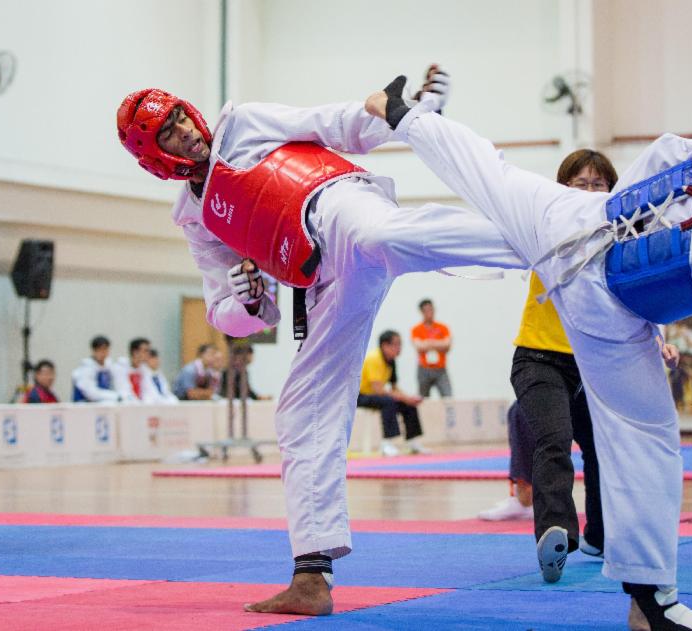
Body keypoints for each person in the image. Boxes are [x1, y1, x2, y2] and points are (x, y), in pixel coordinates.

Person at [366, 79, 692, 631]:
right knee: (647, 437)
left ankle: (398, 122)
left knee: (492, 175)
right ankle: (651, 602)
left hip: (576, 218)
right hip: (605, 305)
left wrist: (611, 213)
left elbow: (664, 150)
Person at [116, 67, 523, 616]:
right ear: (154, 156)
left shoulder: (243, 124)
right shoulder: (195, 219)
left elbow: (331, 123)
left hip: (338, 205)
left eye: (181, 115)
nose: (186, 129)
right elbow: (228, 313)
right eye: (168, 132)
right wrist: (247, 300)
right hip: (324, 278)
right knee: (299, 411)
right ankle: (311, 576)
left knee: (383, 235)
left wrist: (408, 116)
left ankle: (553, 231)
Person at [477, 149, 679, 587]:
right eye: (579, 183)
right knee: (554, 441)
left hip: (595, 364)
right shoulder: (543, 226)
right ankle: (556, 535)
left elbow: (638, 298)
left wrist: (660, 338)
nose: (588, 192)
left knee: (604, 451)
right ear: (561, 188)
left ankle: (599, 537)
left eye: (598, 184)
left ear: (612, 190)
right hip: (538, 358)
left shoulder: (622, 238)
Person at [357, 330, 426, 456]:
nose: (399, 348)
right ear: (384, 345)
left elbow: (394, 387)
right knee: (388, 402)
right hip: (361, 396)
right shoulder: (374, 358)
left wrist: (408, 398)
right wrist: (404, 398)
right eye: (396, 344)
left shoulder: (391, 361)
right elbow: (378, 389)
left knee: (409, 405)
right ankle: (386, 443)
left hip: (377, 396)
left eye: (400, 344)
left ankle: (412, 442)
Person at [410, 298, 452, 397]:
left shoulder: (443, 327)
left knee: (447, 396)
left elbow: (447, 344)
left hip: (440, 368)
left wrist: (428, 343)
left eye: (431, 309)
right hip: (424, 368)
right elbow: (419, 346)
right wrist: (438, 344)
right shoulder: (416, 329)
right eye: (426, 310)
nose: (429, 312)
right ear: (421, 312)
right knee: (423, 398)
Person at [72, 335, 120, 403]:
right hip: (84, 406)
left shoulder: (109, 366)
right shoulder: (86, 368)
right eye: (100, 350)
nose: (103, 353)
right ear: (93, 351)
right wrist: (115, 396)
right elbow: (91, 394)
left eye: (105, 349)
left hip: (104, 405)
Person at [113, 337, 153, 403]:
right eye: (146, 351)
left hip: (141, 407)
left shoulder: (145, 369)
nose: (148, 354)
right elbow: (124, 392)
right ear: (135, 352)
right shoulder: (120, 368)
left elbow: (149, 391)